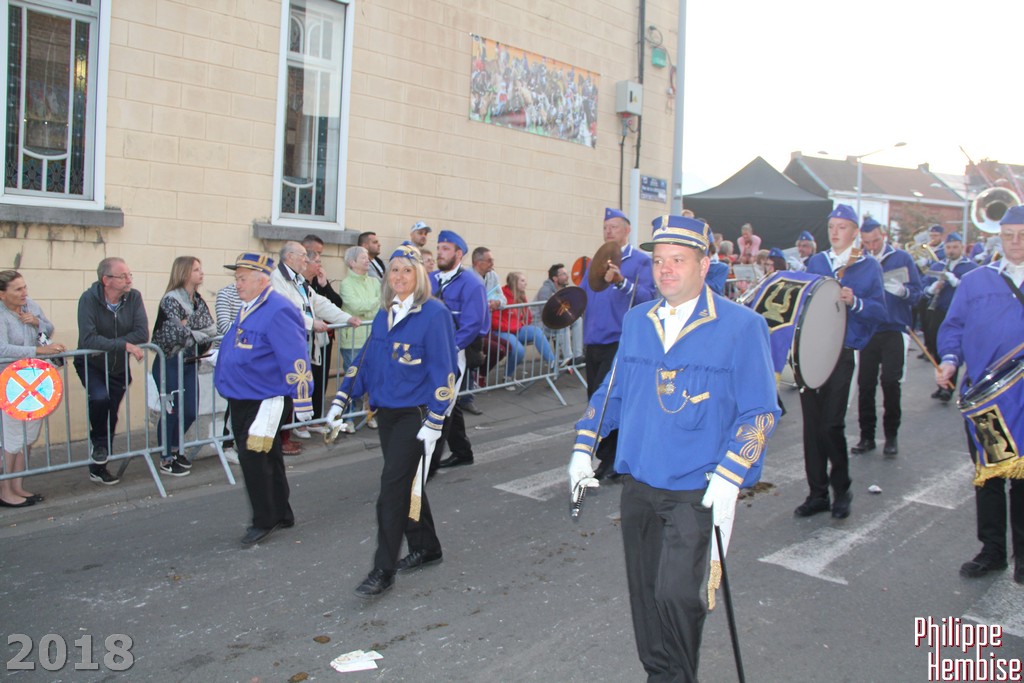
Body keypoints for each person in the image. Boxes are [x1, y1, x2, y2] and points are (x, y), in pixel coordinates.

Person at [568, 215, 780, 682]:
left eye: (678, 260)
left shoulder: (741, 326)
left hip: (695, 488)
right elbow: (613, 391)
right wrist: (585, 445)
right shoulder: (638, 320)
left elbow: (761, 411)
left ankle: (677, 677)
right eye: (659, 260)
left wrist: (731, 474)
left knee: (677, 595)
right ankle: (657, 673)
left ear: (704, 266)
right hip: (639, 482)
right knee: (645, 595)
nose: (665, 269)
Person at [326, 245, 458, 597]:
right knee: (407, 483)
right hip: (387, 413)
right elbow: (366, 360)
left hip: (417, 415)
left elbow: (446, 369)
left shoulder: (434, 314)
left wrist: (435, 419)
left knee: (391, 491)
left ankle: (382, 569)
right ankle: (426, 546)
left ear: (420, 276)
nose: (399, 276)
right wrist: (342, 398)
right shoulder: (387, 311)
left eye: (407, 270)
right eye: (394, 270)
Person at [937, 207, 1024, 583]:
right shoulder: (976, 281)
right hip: (989, 397)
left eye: (1022, 234)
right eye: (1009, 234)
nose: (1016, 242)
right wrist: (949, 360)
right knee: (990, 474)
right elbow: (953, 326)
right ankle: (993, 551)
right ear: (998, 237)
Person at [213, 253, 313, 546]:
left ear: (262, 279)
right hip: (243, 395)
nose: (237, 284)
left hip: (265, 399)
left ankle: (264, 519)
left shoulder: (278, 309)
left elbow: (295, 356)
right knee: (268, 456)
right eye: (237, 278)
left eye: (242, 279)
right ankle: (281, 512)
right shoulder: (249, 306)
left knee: (253, 457)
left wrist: (302, 399)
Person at [794, 204, 886, 519]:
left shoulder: (867, 265)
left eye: (842, 227)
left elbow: (880, 311)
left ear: (855, 231)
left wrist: (855, 302)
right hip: (810, 350)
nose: (835, 232)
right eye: (831, 226)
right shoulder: (816, 262)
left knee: (831, 423)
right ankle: (817, 493)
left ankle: (841, 489)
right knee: (812, 427)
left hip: (842, 351)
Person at [580, 208, 656, 480]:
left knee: (608, 400)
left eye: (613, 226)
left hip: (620, 341)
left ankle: (612, 459)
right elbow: (583, 296)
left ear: (627, 230)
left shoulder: (640, 261)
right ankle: (611, 454)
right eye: (605, 227)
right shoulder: (596, 261)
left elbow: (649, 298)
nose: (608, 231)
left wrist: (621, 282)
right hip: (594, 341)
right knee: (596, 398)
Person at [270, 241, 360, 449]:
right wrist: (311, 323)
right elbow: (284, 309)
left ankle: (284, 438)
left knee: (293, 393)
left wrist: (345, 318)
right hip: (286, 345)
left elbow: (319, 303)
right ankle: (277, 441)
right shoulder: (278, 278)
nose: (306, 260)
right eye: (302, 255)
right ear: (289, 257)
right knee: (284, 394)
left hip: (300, 343)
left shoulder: (299, 280)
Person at [852, 219, 923, 458]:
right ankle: (867, 436)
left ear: (883, 235)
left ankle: (891, 436)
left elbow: (917, 293)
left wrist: (903, 292)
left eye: (875, 241)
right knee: (865, 384)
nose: (871, 247)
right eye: (867, 243)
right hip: (869, 328)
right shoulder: (859, 259)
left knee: (891, 382)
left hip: (894, 328)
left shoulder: (902, 258)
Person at [75, 257, 149, 486]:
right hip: (92, 363)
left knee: (111, 411)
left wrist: (114, 344)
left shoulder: (133, 297)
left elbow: (141, 333)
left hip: (117, 365)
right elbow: (88, 339)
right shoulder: (89, 299)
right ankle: (99, 446)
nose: (129, 280)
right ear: (106, 280)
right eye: (123, 276)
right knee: (100, 398)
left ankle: (99, 466)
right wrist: (124, 344)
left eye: (129, 275)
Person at [0, 271, 65, 507]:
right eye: (18, 289)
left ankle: (17, 485)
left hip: (34, 380)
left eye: (24, 287)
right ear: (2, 294)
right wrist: (38, 351)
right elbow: (2, 349)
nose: (24, 293)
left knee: (27, 435)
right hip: (9, 384)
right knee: (12, 438)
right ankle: (5, 490)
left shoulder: (31, 306)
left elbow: (48, 328)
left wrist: (37, 323)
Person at [150, 256, 217, 476]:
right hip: (169, 362)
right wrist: (193, 330)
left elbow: (210, 330)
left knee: (189, 411)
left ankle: (175, 448)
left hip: (189, 361)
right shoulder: (170, 300)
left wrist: (190, 327)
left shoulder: (197, 300)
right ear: (184, 273)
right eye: (196, 269)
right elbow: (174, 333)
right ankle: (165, 457)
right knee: (171, 410)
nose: (201, 273)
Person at [431, 230, 488, 471]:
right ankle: (462, 452)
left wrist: (449, 348)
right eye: (438, 248)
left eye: (445, 248)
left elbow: (472, 324)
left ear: (458, 254)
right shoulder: (430, 278)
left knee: (441, 402)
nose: (439, 252)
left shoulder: (471, 283)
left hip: (453, 353)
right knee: (448, 402)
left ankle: (428, 464)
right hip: (430, 351)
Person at [922, 233, 977, 402]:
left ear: (962, 247)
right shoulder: (937, 265)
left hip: (959, 314)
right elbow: (923, 289)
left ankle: (949, 388)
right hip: (937, 311)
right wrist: (932, 288)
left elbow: (975, 291)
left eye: (955, 247)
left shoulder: (971, 267)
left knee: (953, 347)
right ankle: (942, 384)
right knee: (936, 346)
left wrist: (956, 282)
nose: (951, 251)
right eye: (948, 247)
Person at [301, 236, 344, 429]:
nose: (320, 262)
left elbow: (337, 303)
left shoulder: (318, 283)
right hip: (307, 338)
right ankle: (301, 422)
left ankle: (316, 418)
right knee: (306, 380)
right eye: (316, 257)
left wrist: (325, 284)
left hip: (323, 337)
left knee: (320, 379)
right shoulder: (298, 282)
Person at [338, 245, 382, 430]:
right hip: (353, 340)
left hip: (373, 337)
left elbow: (382, 305)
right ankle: (348, 417)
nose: (367, 260)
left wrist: (370, 306)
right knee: (353, 378)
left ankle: (368, 413)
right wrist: (375, 303)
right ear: (352, 262)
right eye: (363, 257)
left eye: (367, 257)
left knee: (372, 377)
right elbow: (356, 306)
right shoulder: (346, 284)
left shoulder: (375, 282)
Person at [492, 271, 556, 384]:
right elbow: (494, 321)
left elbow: (528, 317)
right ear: (514, 282)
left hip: (515, 329)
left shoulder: (521, 296)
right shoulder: (501, 295)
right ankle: (508, 376)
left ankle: (553, 363)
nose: (525, 283)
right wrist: (513, 326)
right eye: (522, 280)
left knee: (536, 331)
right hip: (501, 331)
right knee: (519, 350)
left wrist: (520, 325)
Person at [215, 279, 243, 464]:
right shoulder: (225, 294)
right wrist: (254, 327)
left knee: (245, 403)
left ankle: (240, 442)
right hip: (230, 355)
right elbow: (225, 327)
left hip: (249, 357)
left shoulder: (261, 296)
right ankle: (227, 444)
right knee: (233, 402)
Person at [534, 263, 583, 364]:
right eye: (564, 274)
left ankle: (578, 356)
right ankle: (568, 358)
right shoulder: (545, 290)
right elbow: (545, 314)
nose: (567, 276)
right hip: (541, 325)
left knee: (578, 320)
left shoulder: (563, 291)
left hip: (554, 323)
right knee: (563, 324)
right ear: (555, 278)